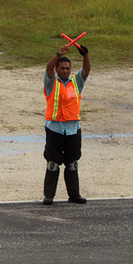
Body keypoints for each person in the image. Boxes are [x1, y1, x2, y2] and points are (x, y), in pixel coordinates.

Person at [42, 42, 91, 205]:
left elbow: (86, 70)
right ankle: (49, 196)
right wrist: (58, 53)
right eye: (62, 68)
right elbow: (48, 69)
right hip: (55, 129)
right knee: (52, 164)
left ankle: (74, 195)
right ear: (57, 69)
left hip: (72, 129)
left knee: (72, 164)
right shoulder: (51, 82)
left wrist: (85, 55)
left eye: (68, 68)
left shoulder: (76, 82)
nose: (65, 71)